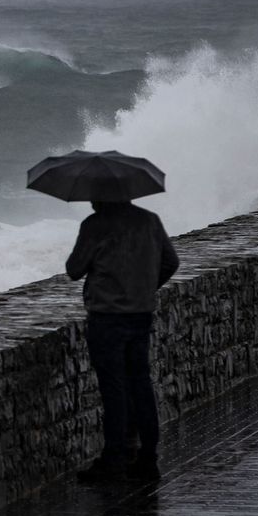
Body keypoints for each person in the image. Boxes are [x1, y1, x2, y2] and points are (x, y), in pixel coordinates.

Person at [66, 200, 179, 482]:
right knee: (140, 384)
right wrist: (145, 287)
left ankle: (114, 458)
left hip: (107, 317)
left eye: (95, 195)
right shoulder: (149, 220)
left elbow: (74, 269)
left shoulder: (95, 225)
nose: (92, 201)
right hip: (140, 313)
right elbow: (171, 262)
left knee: (114, 387)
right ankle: (148, 458)